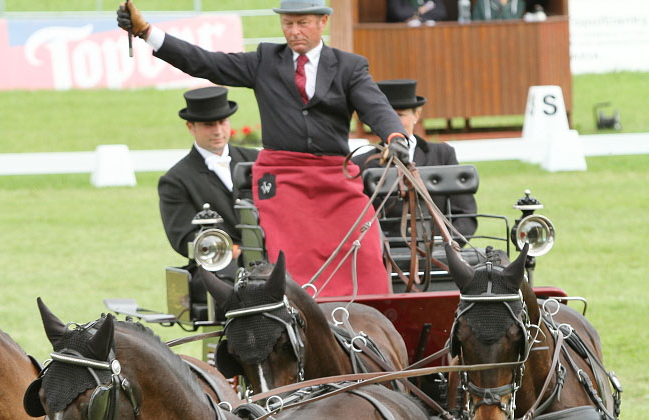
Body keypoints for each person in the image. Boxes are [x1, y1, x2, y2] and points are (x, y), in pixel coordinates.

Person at [118, 0, 410, 297]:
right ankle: (301, 324)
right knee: (291, 262)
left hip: (336, 176)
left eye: (303, 23)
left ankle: (372, 318)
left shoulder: (349, 66)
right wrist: (146, 32)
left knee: (367, 250)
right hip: (282, 178)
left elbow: (375, 106)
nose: (294, 31)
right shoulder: (264, 60)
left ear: (323, 22)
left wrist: (395, 136)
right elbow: (206, 62)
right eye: (288, 24)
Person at [354, 79, 477, 239]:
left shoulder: (443, 154)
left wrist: (445, 246)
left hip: (437, 250)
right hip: (383, 253)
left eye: (399, 115)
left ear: (416, 116)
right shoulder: (361, 163)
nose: (393, 123)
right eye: (388, 117)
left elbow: (464, 213)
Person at [159, 86, 260, 263]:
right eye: (209, 125)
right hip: (217, 267)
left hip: (268, 258)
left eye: (223, 122)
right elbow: (183, 238)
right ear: (191, 127)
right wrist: (230, 251)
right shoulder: (176, 180)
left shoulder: (256, 160)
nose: (218, 131)